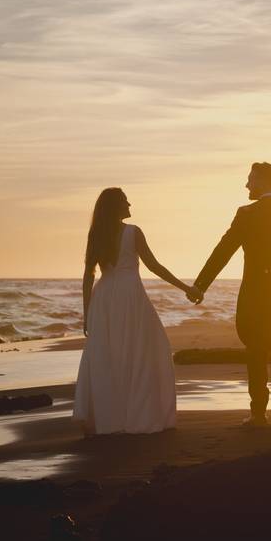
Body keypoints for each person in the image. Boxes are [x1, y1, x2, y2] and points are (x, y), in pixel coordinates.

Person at [72, 187, 201, 436]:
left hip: (104, 297)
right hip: (130, 295)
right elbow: (154, 266)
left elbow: (88, 277)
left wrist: (87, 312)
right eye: (125, 201)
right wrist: (186, 287)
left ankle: (111, 418)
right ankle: (139, 414)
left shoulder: (96, 233)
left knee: (109, 357)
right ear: (117, 206)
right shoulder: (133, 232)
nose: (130, 204)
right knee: (143, 351)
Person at [192, 162, 271, 427]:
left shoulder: (246, 214)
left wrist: (201, 285)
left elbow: (224, 250)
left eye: (250, 179)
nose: (246, 185)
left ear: (263, 181)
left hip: (255, 296)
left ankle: (258, 414)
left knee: (256, 353)